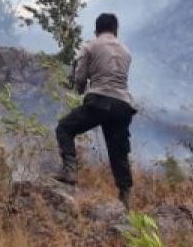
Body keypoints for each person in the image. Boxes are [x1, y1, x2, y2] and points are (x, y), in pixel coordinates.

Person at [55, 12, 138, 209]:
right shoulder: (126, 51)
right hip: (122, 105)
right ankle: (125, 198)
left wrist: (80, 88)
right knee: (118, 152)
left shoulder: (90, 46)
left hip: (100, 100)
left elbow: (81, 78)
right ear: (115, 30)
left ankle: (70, 171)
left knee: (64, 128)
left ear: (96, 30)